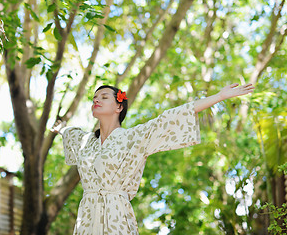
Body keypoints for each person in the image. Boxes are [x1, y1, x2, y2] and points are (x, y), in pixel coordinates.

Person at [53, 83, 254, 235]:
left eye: (104, 96)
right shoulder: (86, 141)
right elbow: (68, 132)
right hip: (87, 215)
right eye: (94, 97)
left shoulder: (134, 137)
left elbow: (169, 118)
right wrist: (58, 128)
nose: (96, 100)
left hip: (116, 215)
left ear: (119, 107)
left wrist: (219, 96)